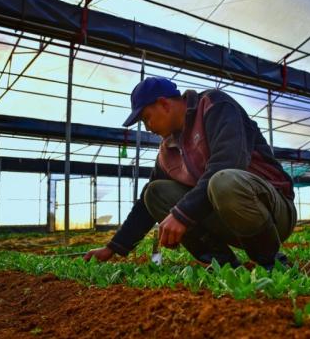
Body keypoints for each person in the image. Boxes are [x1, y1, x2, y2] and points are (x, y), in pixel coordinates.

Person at [84, 77, 297, 269]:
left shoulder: (214, 105)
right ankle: (223, 263)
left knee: (223, 180)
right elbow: (145, 206)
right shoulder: (168, 150)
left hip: (273, 211)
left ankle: (270, 261)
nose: (148, 127)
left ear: (164, 104)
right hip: (228, 218)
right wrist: (113, 247)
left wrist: (181, 215)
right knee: (154, 192)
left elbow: (229, 162)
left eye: (147, 118)